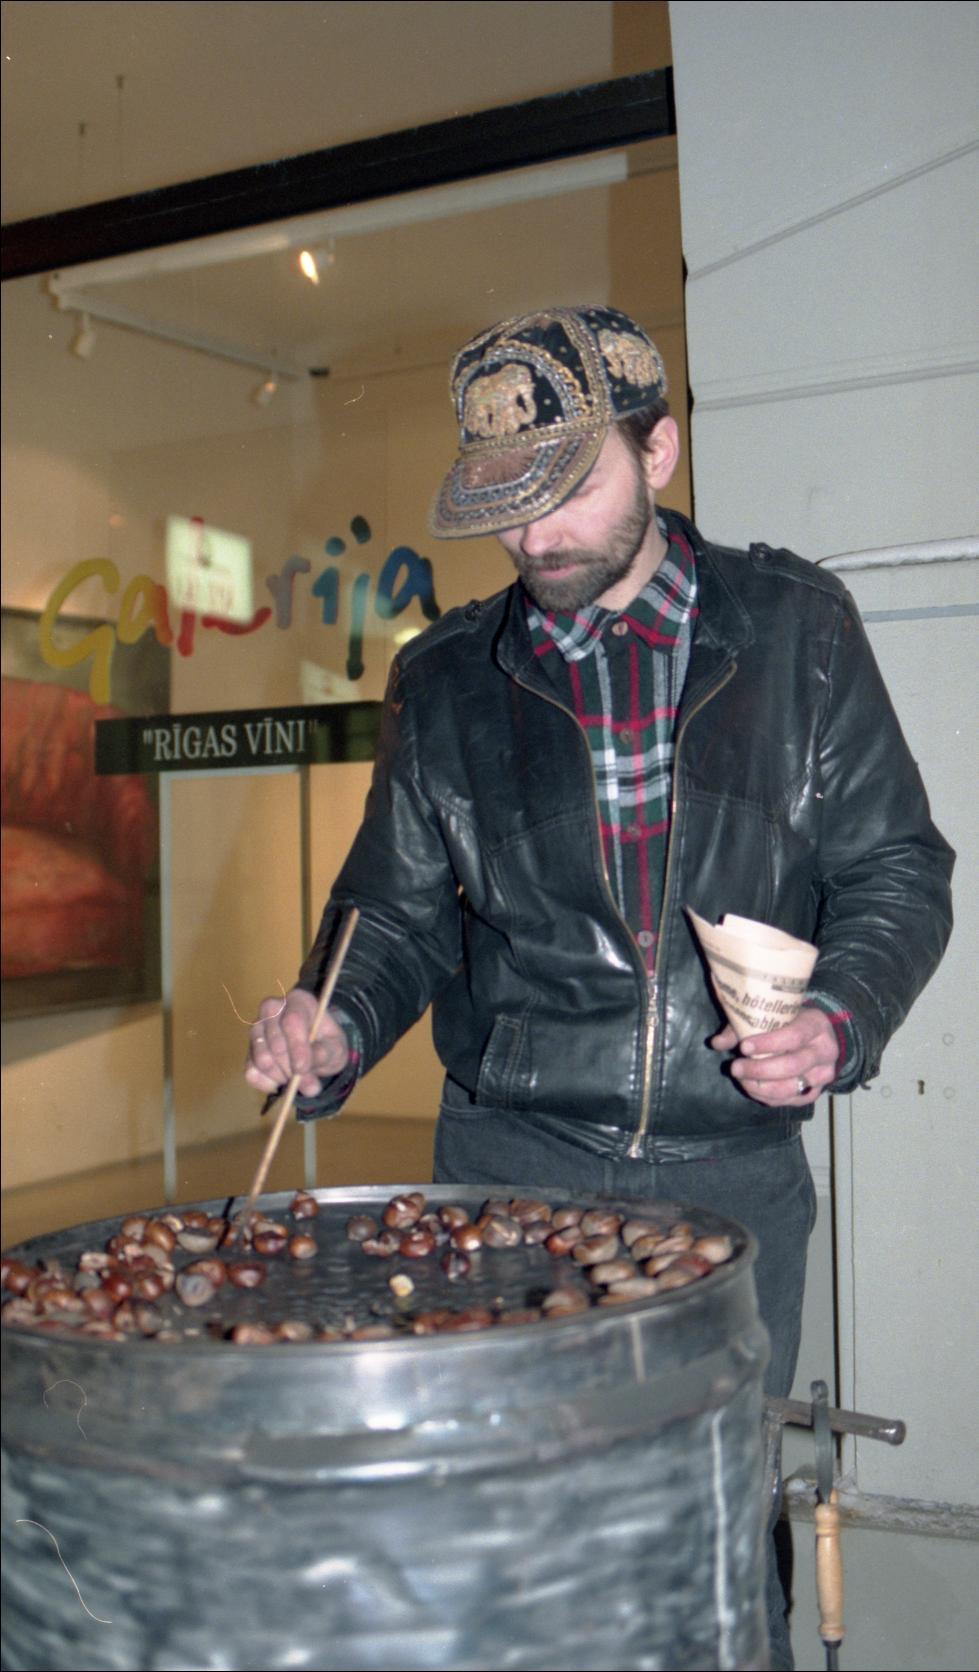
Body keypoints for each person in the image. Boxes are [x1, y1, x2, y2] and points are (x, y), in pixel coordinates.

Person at [245, 305, 953, 1667]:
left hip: (730, 1180)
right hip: (510, 1179)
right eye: (502, 506)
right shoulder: (446, 681)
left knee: (709, 1540)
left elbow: (897, 872)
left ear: (661, 451)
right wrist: (332, 1020)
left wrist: (840, 1018)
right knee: (516, 1547)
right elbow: (391, 921)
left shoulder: (796, 631)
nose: (533, 537)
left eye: (564, 490)